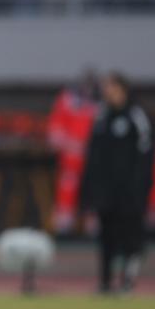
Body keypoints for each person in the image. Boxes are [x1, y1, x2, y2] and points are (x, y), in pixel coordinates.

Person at [80, 72, 154, 294]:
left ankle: (127, 282)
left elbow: (145, 157)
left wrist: (139, 190)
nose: (106, 92)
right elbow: (92, 156)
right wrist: (90, 190)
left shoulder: (137, 117)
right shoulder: (101, 117)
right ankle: (105, 283)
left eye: (110, 87)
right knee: (106, 238)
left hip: (130, 194)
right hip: (106, 193)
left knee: (131, 237)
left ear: (122, 88)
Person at [47, 70, 99, 234]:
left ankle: (93, 228)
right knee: (67, 191)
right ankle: (64, 227)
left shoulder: (100, 103)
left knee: (94, 194)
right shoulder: (67, 101)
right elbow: (55, 129)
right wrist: (69, 144)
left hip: (94, 160)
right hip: (71, 159)